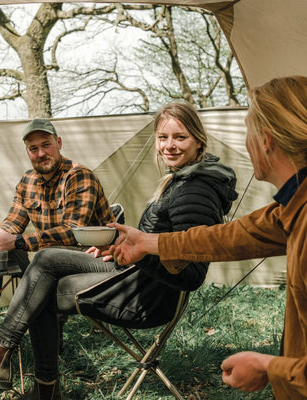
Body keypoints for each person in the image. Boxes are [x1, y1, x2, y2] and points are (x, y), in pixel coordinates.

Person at [0, 102, 237, 400]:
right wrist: (120, 248)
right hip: (134, 273)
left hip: (146, 295)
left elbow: (190, 274)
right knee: (42, 262)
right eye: (163, 138)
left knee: (41, 287)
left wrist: (139, 251)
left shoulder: (196, 189)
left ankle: (17, 372)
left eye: (180, 137)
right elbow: (159, 243)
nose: (169, 146)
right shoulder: (181, 180)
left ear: (198, 140)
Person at [110, 76, 307, 400]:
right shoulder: (290, 208)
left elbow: (193, 272)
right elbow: (228, 237)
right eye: (163, 137)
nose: (245, 143)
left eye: (248, 131)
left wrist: (269, 366)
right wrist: (149, 243)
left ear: (267, 139)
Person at [0, 118, 114, 349]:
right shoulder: (27, 180)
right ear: (27, 152)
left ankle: (50, 338)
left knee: (52, 253)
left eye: (46, 145)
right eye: (33, 148)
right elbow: (14, 220)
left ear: (59, 143)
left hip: (91, 261)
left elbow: (74, 233)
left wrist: (19, 241)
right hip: (45, 260)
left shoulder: (79, 175)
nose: (41, 153)